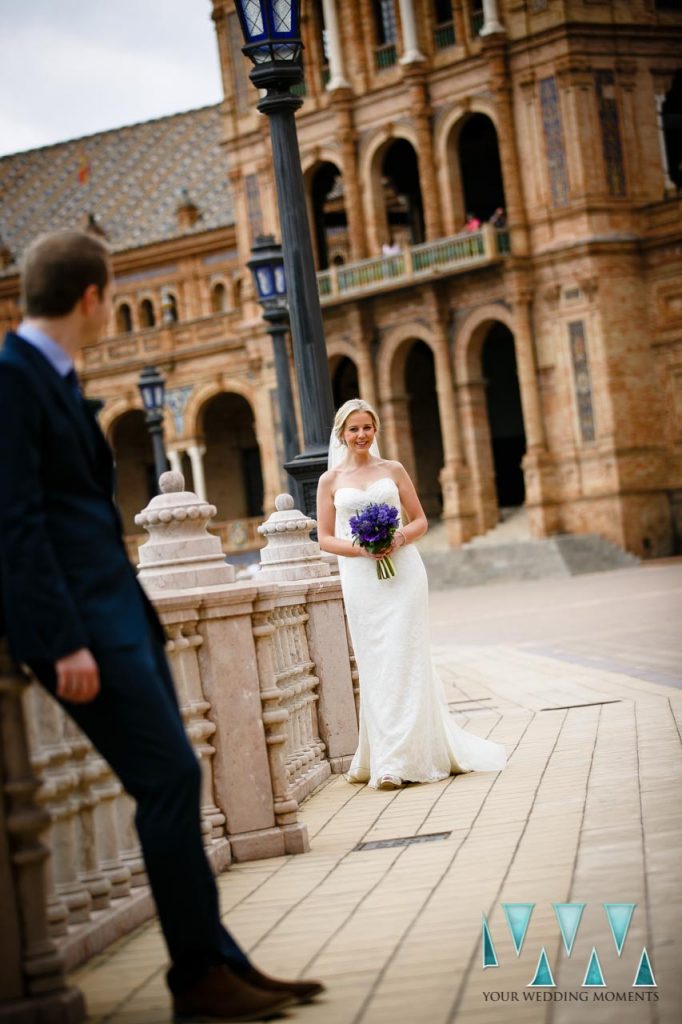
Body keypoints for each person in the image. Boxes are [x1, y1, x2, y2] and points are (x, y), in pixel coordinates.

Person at [0, 230, 324, 1022]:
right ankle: (198, 977)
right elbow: (14, 519)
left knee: (176, 775)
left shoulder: (51, 375)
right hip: (84, 634)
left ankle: (218, 962)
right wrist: (61, 637)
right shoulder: (12, 380)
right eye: (111, 298)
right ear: (93, 298)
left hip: (117, 618)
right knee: (172, 778)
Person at [316, 398, 506, 791]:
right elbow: (324, 538)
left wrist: (397, 536)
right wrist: (363, 549)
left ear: (376, 430)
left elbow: (420, 520)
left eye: (367, 427)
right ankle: (382, 753)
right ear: (342, 434)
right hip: (361, 579)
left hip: (403, 573)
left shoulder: (393, 470)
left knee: (407, 657)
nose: (362, 435)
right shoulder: (329, 481)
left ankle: (399, 762)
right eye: (354, 429)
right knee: (377, 663)